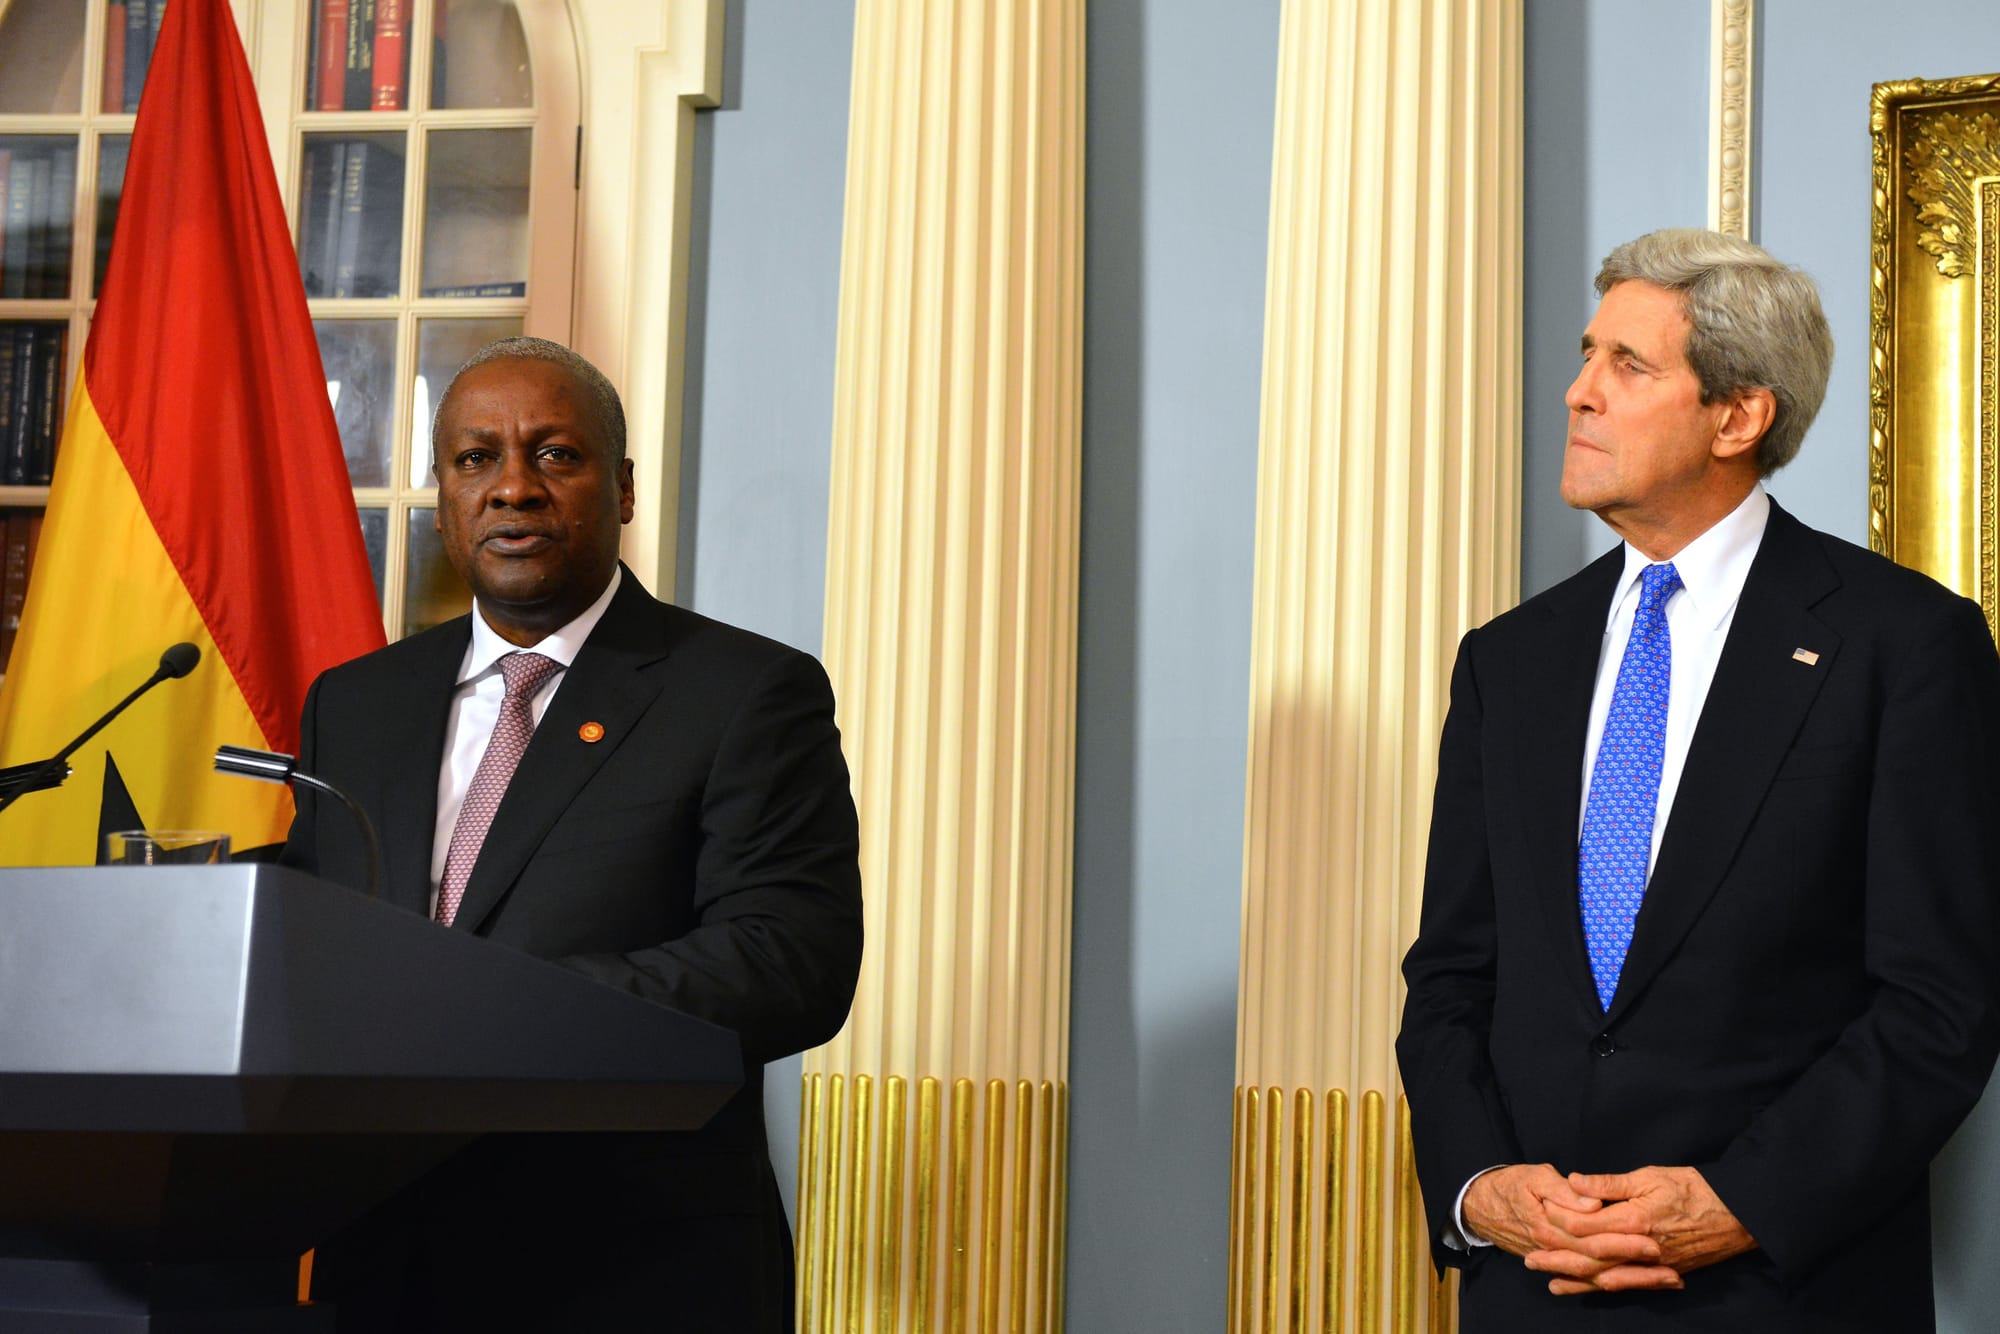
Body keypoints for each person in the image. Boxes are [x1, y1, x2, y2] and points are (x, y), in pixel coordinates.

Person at [1396, 229, 2000, 1330]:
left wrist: (1737, 1200)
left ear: (1737, 415)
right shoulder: (1508, 658)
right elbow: (1448, 976)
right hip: (1532, 1287)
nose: (1577, 393)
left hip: (1777, 1289)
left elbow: (1936, 1002)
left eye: (1626, 365)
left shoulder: (1901, 644)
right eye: (1586, 356)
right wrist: (1482, 1189)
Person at [282, 336, 862, 1331]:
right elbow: (317, 928)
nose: (513, 487)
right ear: (444, 496)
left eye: (554, 454)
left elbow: (789, 960)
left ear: (623, 487)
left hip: (632, 1266)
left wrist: (499, 1008)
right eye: (476, 458)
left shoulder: (741, 693)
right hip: (386, 1257)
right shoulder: (357, 702)